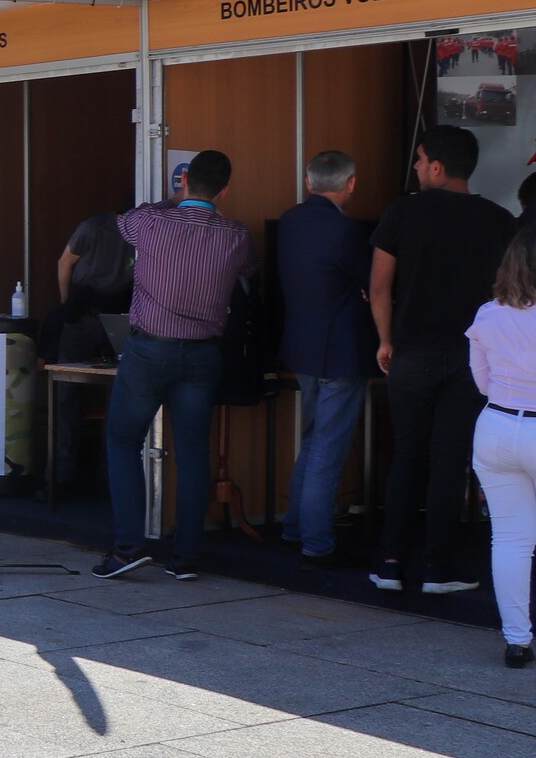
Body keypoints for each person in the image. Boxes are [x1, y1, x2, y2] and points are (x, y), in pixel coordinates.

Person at [93, 150, 258, 581]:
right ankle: (186, 557)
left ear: (184, 182)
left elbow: (123, 220)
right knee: (192, 455)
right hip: (204, 354)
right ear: (226, 190)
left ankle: (128, 546)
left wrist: (173, 201)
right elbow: (249, 270)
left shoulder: (152, 221)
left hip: (150, 350)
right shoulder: (237, 235)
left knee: (122, 442)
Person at [372, 124, 516, 596]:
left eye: (418, 160)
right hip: (470, 356)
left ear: (436, 166)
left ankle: (391, 563)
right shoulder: (499, 220)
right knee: (450, 461)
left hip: (410, 352)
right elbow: (507, 293)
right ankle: (439, 568)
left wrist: (385, 340)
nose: (415, 167)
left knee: (408, 456)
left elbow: (379, 285)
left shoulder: (402, 211)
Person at [276, 151, 375, 569]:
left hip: (301, 348)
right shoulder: (347, 232)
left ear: (308, 180)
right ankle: (317, 542)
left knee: (314, 441)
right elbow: (375, 283)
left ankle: (295, 527)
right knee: (326, 450)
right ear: (350, 184)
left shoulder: (289, 222)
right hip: (341, 351)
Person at [469, 224, 536, 668]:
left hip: (495, 424)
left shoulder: (487, 314)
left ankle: (517, 641)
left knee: (510, 540)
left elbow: (482, 381)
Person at [42, 202, 136, 488]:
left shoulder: (141, 232)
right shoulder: (92, 227)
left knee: (116, 399)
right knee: (66, 395)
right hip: (84, 312)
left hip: (119, 313)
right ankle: (60, 477)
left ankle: (107, 478)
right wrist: (68, 305)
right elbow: (65, 262)